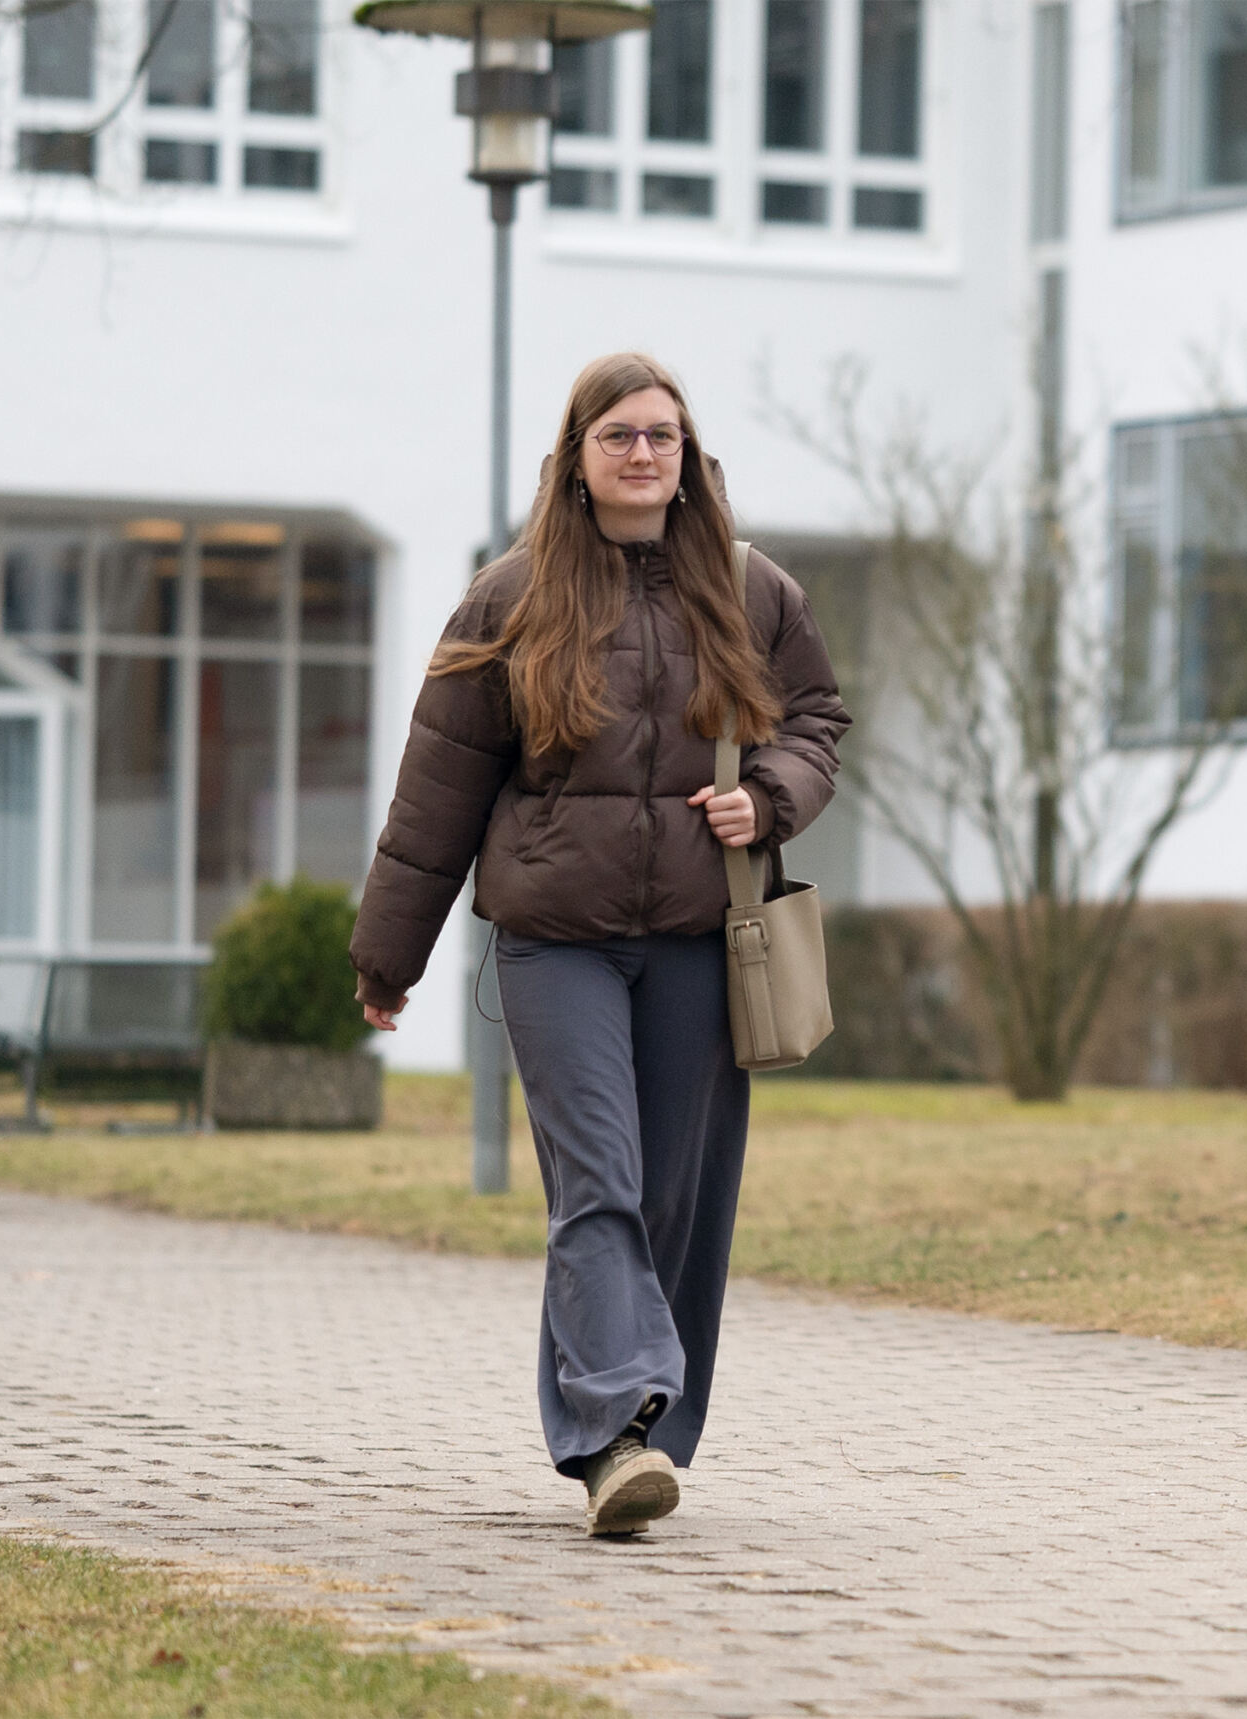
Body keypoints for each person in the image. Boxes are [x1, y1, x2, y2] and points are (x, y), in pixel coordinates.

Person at [348, 352, 849, 1537]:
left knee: (676, 1201)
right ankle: (611, 1431)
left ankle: (642, 1430)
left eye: (662, 436)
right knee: (600, 1187)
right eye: (619, 436)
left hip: (694, 940)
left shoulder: (749, 588)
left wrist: (768, 795)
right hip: (555, 944)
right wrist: (389, 957)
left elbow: (818, 717)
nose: (642, 454)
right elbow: (437, 795)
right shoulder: (507, 598)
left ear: (688, 455)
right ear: (577, 457)